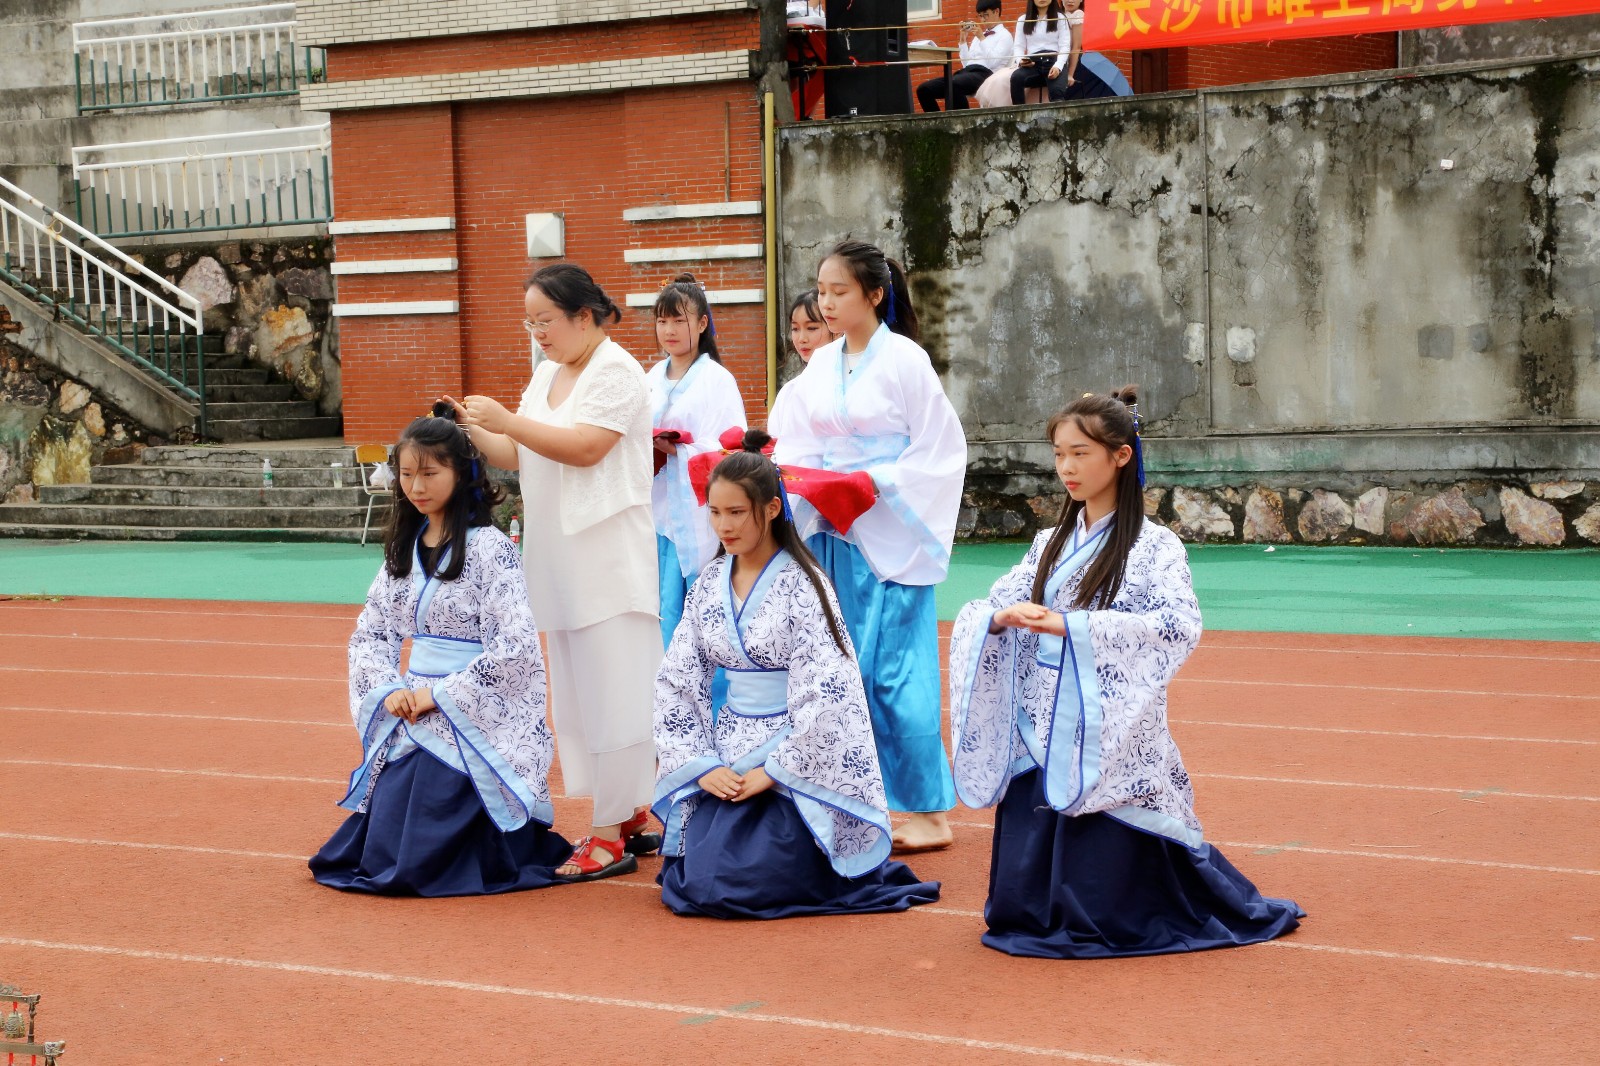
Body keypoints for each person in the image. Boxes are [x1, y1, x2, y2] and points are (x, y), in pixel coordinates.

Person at [948, 387, 1304, 958]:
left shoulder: (1154, 545)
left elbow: (1176, 625)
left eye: (1080, 453)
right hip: (1041, 710)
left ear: (1120, 456)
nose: (1066, 468)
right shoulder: (1049, 542)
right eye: (1059, 454)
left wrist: (1075, 627)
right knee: (1022, 891)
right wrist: (999, 618)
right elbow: (999, 599)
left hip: (1108, 716)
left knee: (1108, 891)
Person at [652, 433, 942, 918]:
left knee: (739, 880)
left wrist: (773, 771)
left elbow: (830, 693)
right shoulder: (708, 584)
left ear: (771, 509)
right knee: (703, 880)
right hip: (728, 752)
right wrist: (701, 764)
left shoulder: (805, 585)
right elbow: (676, 680)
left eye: (737, 512)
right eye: (715, 512)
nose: (724, 525)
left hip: (793, 758)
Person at [448, 263, 660, 883]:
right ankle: (628, 813)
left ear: (583, 316)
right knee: (580, 697)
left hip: (607, 559)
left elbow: (588, 447)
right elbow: (517, 453)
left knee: (616, 691)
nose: (537, 333)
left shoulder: (616, 369)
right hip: (560, 557)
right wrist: (472, 426)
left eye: (546, 320)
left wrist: (507, 421)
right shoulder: (547, 374)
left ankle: (608, 834)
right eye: (530, 323)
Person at [309, 405, 572, 896]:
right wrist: (389, 689)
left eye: (430, 473)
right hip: (411, 701)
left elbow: (514, 646)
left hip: (475, 707)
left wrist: (439, 696)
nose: (417, 486)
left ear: (463, 473)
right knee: (394, 814)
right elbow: (371, 633)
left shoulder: (491, 547)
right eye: (407, 474)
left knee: (423, 811)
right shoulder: (403, 547)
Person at [770, 239, 966, 853]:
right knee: (838, 670)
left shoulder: (906, 360)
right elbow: (795, 441)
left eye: (839, 292)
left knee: (895, 673)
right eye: (821, 291)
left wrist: (873, 483)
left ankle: (928, 810)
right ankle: (856, 797)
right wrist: (801, 481)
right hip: (834, 529)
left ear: (875, 295)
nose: (826, 303)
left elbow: (940, 449)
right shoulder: (822, 366)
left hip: (891, 531)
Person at [646, 272, 747, 652]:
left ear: (703, 323)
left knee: (705, 609)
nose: (669, 330)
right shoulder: (650, 378)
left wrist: (681, 449)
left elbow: (731, 447)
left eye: (679, 320)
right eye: (662, 321)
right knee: (661, 609)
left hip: (698, 514)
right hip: (657, 513)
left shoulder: (717, 380)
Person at [916, 0, 1013, 112]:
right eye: (980, 16)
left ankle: (961, 120)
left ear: (996, 11)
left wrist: (982, 38)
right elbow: (967, 63)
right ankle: (937, 121)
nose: (982, 20)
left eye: (986, 15)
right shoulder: (978, 36)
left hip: (986, 74)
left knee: (954, 85)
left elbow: (992, 62)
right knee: (923, 89)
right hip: (967, 72)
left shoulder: (1005, 36)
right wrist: (963, 40)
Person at [767, 288, 833, 436]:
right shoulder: (789, 392)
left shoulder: (852, 384)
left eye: (811, 328)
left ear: (836, 329)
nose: (802, 338)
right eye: (795, 329)